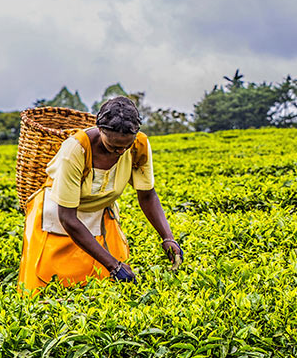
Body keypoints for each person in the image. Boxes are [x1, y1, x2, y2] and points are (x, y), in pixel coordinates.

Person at [18, 96, 183, 292]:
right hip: (58, 216)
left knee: (104, 287)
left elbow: (147, 195)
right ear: (100, 130)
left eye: (125, 146)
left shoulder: (139, 146)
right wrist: (114, 265)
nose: (120, 151)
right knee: (48, 286)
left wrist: (168, 237)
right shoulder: (76, 150)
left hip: (99, 214)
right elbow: (68, 218)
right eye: (113, 146)